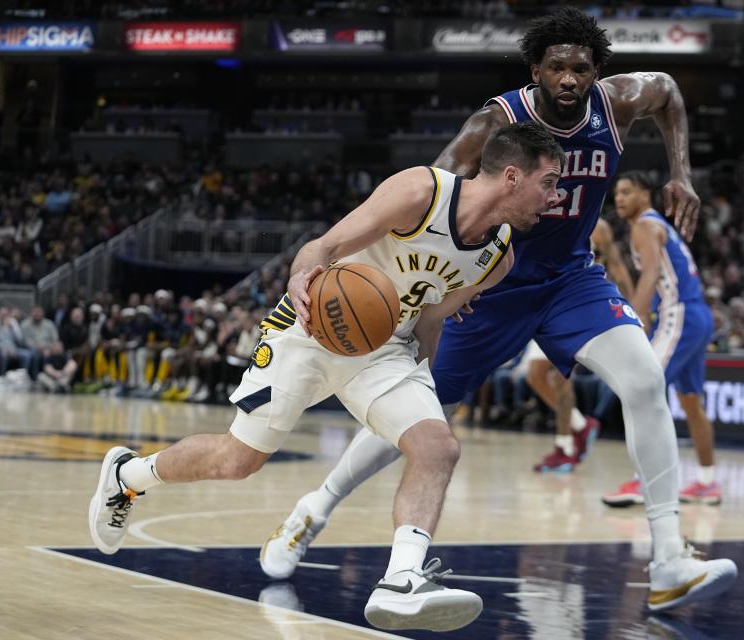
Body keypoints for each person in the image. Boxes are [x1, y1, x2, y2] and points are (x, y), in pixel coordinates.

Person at [269, 8, 736, 612]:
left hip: (570, 279)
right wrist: (429, 284)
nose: (570, 79)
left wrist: (682, 174)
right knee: (420, 418)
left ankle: (669, 556)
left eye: (582, 68)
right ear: (536, 69)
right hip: (489, 283)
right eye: (558, 67)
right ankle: (316, 507)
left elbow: (670, 93)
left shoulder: (616, 104)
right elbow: (431, 197)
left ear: (597, 72)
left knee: (645, 379)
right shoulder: (495, 121)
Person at [89, 121, 564, 632]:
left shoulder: (499, 256)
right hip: (314, 328)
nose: (555, 198)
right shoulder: (421, 192)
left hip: (386, 351)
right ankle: (127, 476)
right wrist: (299, 277)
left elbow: (432, 316)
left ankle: (402, 580)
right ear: (512, 176)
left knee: (438, 447)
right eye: (550, 181)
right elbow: (323, 247)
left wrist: (423, 380)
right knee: (238, 461)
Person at [601, 172, 720, 507]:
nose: (619, 198)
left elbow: (651, 273)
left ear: (644, 194)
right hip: (696, 316)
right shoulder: (656, 226)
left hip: (678, 314)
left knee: (642, 389)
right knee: (691, 403)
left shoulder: (644, 226)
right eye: (617, 193)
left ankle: (645, 483)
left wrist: (633, 318)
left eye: (627, 192)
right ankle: (708, 482)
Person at [530, 217, 633, 472]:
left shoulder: (600, 227)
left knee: (560, 378)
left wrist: (632, 310)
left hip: (580, 305)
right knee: (535, 375)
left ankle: (564, 447)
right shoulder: (550, 218)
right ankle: (580, 425)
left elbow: (617, 267)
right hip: (548, 303)